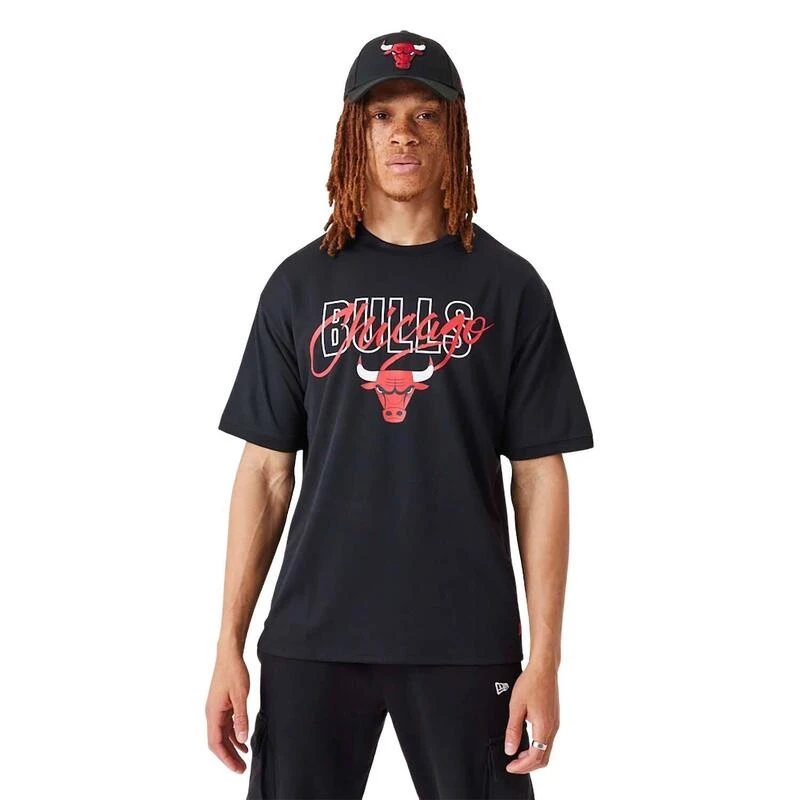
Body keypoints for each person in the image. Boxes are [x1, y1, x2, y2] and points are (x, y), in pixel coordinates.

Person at [206, 29, 593, 799]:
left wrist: (545, 659)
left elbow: (539, 474)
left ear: (455, 132)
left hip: (466, 637)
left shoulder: (510, 288)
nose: (403, 134)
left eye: (425, 114)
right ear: (355, 132)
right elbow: (267, 473)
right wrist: (228, 644)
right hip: (314, 634)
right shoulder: (298, 286)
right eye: (382, 115)